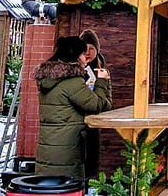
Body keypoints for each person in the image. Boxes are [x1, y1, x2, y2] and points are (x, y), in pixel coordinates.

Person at [33, 36, 111, 178]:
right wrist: (103, 81)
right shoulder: (72, 81)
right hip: (67, 151)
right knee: (67, 186)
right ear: (75, 56)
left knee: (49, 186)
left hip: (48, 149)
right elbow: (97, 104)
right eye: (83, 54)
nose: (85, 58)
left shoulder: (48, 79)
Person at [78, 29, 106, 179]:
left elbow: (107, 99)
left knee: (92, 162)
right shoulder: (73, 68)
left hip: (93, 124)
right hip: (75, 123)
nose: (88, 52)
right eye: (84, 48)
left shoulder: (102, 70)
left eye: (92, 48)